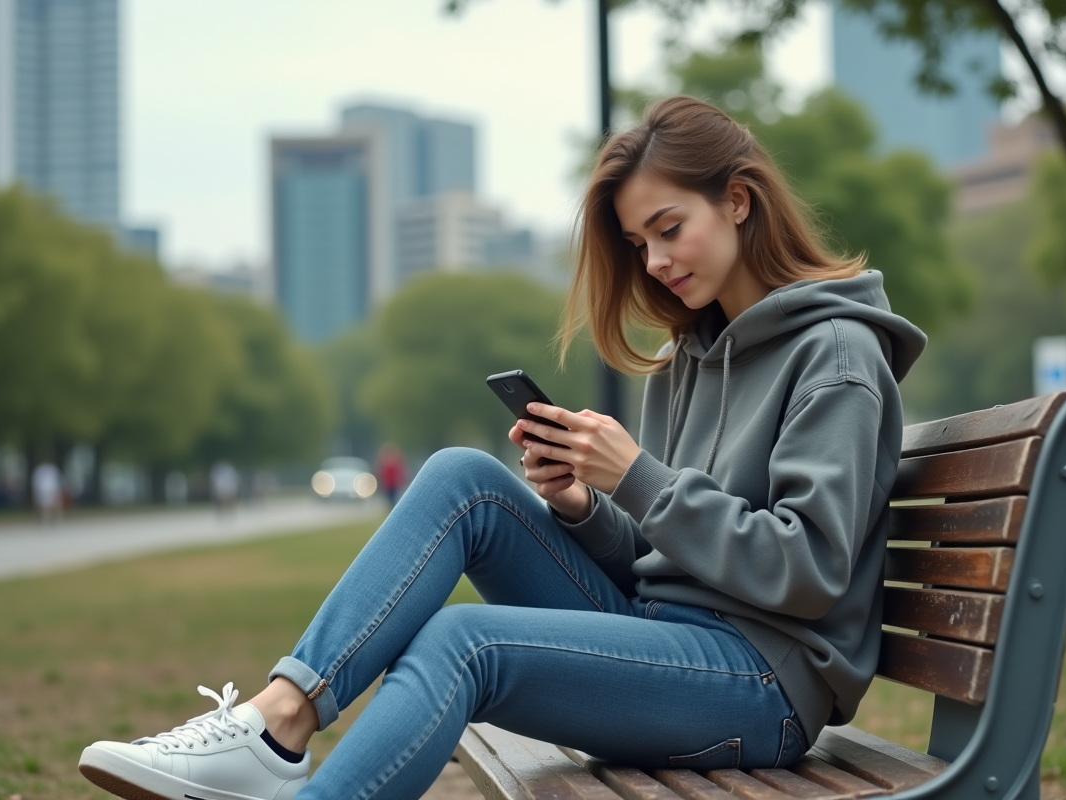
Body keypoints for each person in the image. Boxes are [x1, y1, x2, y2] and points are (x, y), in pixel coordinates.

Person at [78, 97, 926, 800]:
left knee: (464, 642)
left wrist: (638, 476)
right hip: (673, 638)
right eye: (639, 244)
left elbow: (807, 571)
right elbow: (662, 562)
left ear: (738, 200)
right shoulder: (689, 362)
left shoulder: (837, 354)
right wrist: (588, 506)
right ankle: (278, 720)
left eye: (670, 228)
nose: (657, 261)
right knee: (465, 480)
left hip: (762, 683)